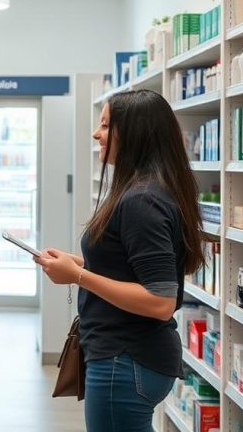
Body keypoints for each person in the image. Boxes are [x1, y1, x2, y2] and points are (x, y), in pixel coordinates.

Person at [35, 90, 205, 432]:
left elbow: (159, 300)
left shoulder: (142, 200)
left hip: (125, 360)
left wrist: (80, 277)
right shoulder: (144, 190)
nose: (96, 134)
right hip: (129, 357)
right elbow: (129, 267)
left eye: (105, 125)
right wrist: (81, 265)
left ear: (136, 133)